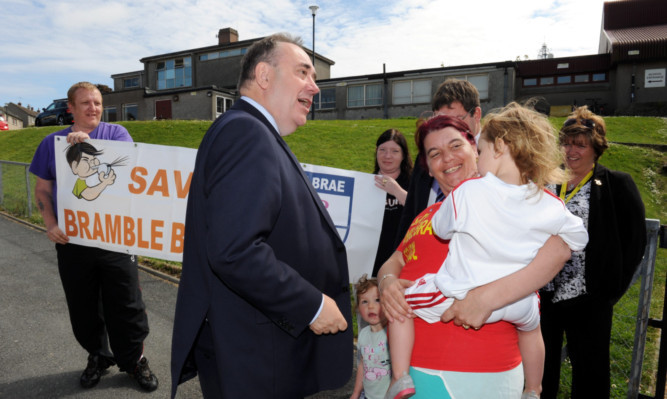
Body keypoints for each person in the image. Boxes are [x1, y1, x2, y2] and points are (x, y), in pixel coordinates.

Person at [170, 33, 352, 398]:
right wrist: (312, 305)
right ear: (264, 76)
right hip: (255, 356)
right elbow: (235, 251)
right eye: (303, 72)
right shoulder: (246, 133)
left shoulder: (252, 132)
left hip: (257, 347)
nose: (314, 87)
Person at [384, 105, 589, 399]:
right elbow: (395, 259)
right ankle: (534, 389)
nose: (447, 158)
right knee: (532, 329)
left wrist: (485, 298)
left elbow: (560, 250)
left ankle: (398, 377)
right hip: (512, 314)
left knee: (406, 303)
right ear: (427, 168)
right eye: (434, 153)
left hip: (475, 344)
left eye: (460, 146)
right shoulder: (543, 201)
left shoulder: (468, 195)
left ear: (477, 147)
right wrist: (386, 281)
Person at [29, 81, 158, 392]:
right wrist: (49, 223)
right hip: (73, 242)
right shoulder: (52, 144)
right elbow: (43, 189)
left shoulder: (117, 135)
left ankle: (134, 360)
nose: (93, 108)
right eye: (85, 103)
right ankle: (98, 356)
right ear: (70, 108)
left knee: (126, 303)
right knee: (83, 305)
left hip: (116, 239)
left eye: (98, 103)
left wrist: (88, 146)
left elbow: (128, 172)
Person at [540, 106, 647, 398]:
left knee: (590, 374)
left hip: (589, 299)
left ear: (595, 148)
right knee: (540, 370)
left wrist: (609, 291)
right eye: (566, 142)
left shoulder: (617, 184)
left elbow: (635, 241)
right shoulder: (547, 183)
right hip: (544, 295)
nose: (570, 150)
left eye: (579, 144)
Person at [394, 79, 482, 250]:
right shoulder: (427, 157)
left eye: (456, 119)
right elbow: (410, 216)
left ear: (476, 115)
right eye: (440, 119)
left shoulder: (498, 158)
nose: (446, 128)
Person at [372, 129, 412, 277]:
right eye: (382, 150)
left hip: (403, 263)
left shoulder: (415, 183)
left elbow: (423, 213)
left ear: (403, 155)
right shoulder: (364, 183)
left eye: (395, 151)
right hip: (370, 263)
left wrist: (396, 190)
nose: (387, 156)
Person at [350, 275, 391, 399]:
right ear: (358, 308)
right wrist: (356, 393)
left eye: (377, 300)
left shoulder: (392, 333)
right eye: (364, 301)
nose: (371, 306)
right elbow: (363, 365)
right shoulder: (363, 334)